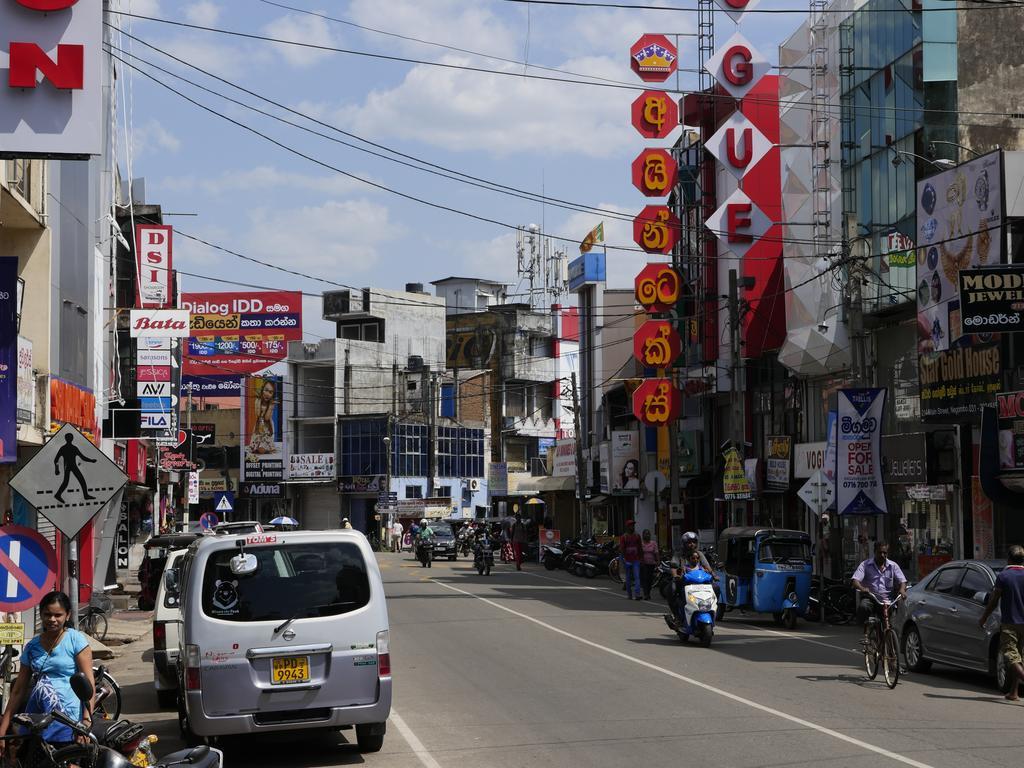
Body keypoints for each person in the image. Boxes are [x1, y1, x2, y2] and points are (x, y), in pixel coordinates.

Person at [0, 592, 95, 758]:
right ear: (41, 614)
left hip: (69, 718)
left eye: (58, 615)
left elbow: (88, 683)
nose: (52, 619)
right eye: (47, 614)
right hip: (39, 720)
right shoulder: (32, 647)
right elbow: (18, 690)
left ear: (68, 615)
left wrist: (86, 722)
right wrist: (3, 728)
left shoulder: (75, 640)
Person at [979, 544, 1024, 701]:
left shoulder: (1004, 576)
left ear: (1009, 559)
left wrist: (984, 617)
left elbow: (993, 600)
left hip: (1010, 622)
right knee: (1020, 657)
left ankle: (1016, 689)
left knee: (1010, 656)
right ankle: (1014, 692)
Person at [851, 541, 907, 629]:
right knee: (864, 607)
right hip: (871, 599)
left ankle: (890, 638)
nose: (882, 555)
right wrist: (862, 588)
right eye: (879, 552)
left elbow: (902, 581)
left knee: (892, 626)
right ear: (874, 552)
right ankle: (865, 631)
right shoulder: (865, 565)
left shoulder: (893, 566)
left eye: (884, 553)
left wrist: (902, 589)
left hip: (888, 601)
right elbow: (855, 581)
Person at [619, 520, 643, 600]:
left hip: (636, 559)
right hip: (627, 560)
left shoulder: (637, 536)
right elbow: (622, 549)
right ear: (627, 527)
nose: (632, 527)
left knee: (637, 577)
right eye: (630, 526)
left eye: (633, 525)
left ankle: (637, 594)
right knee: (628, 578)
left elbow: (640, 548)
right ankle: (629, 594)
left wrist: (641, 558)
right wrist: (624, 559)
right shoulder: (624, 537)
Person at [640, 529, 659, 600]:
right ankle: (646, 594)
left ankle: (648, 593)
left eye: (648, 534)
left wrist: (658, 561)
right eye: (645, 534)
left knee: (650, 579)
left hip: (652, 563)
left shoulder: (653, 543)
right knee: (645, 579)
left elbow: (656, 553)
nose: (647, 535)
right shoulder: (641, 543)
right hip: (643, 563)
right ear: (643, 535)